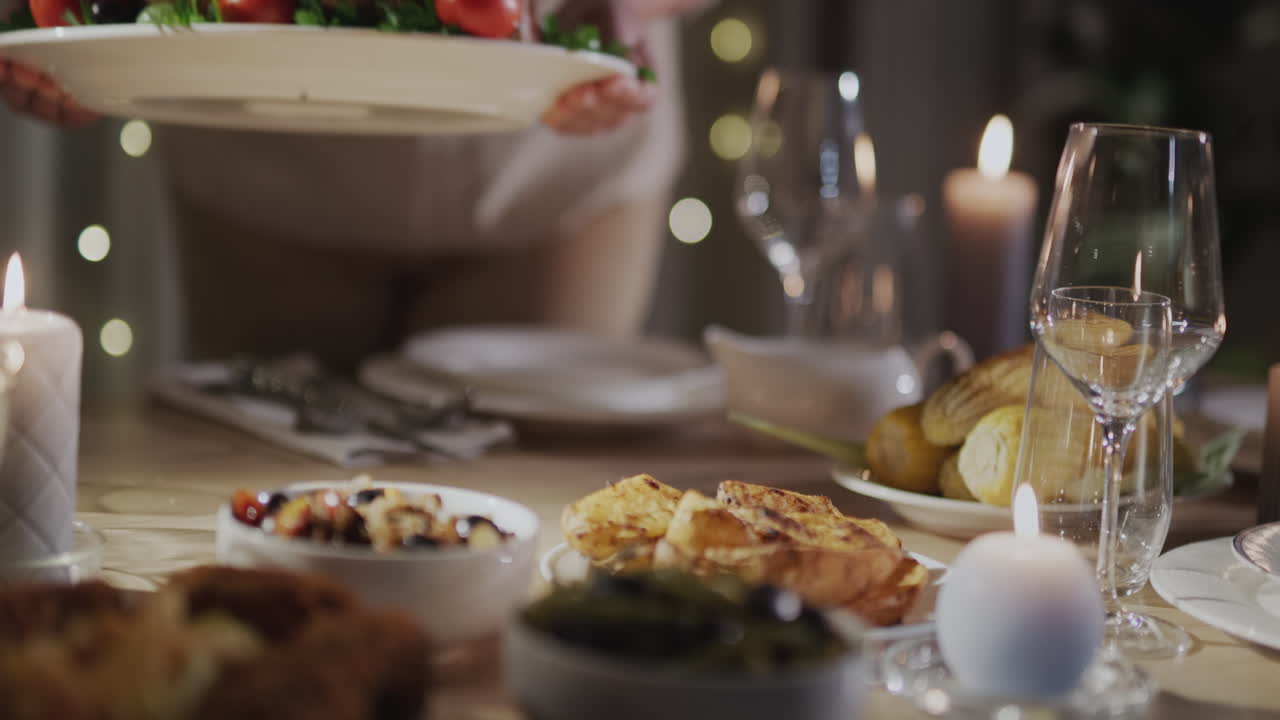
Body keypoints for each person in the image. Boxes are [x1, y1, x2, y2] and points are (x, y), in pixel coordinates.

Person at [0, 0, 702, 371]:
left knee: (538, 513)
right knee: (265, 504)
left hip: (558, 169)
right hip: (262, 164)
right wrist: (65, 27)